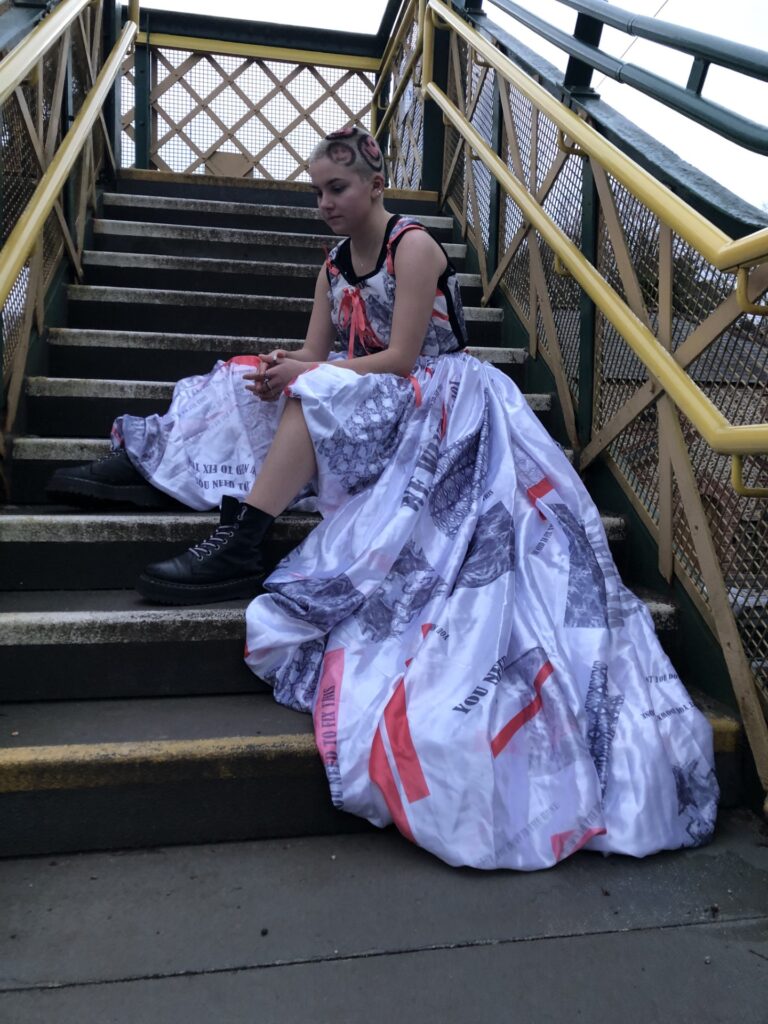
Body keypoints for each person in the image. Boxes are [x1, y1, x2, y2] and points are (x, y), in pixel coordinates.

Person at [48, 126, 718, 870]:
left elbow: (401, 357)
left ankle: (241, 540)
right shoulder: (332, 264)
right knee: (254, 374)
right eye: (316, 193)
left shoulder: (414, 247)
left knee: (309, 389)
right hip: (374, 392)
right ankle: (146, 461)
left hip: (436, 396)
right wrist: (282, 367)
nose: (325, 204)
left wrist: (311, 373)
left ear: (374, 185)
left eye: (336, 189)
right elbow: (318, 348)